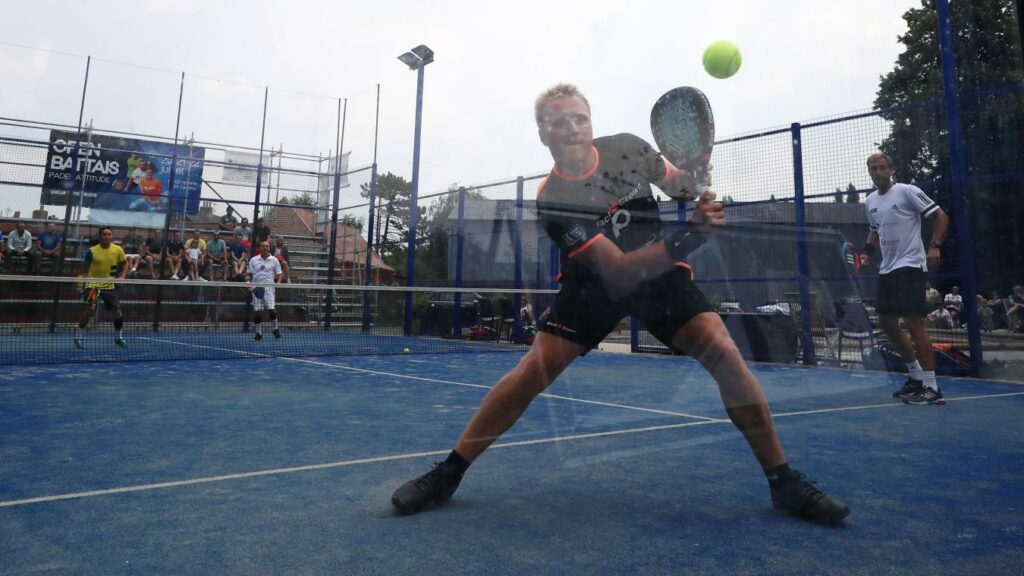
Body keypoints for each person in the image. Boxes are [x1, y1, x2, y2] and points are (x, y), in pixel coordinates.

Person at [390, 84, 850, 524]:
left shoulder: (629, 148)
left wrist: (694, 182)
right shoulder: (554, 199)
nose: (571, 128)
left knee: (725, 354)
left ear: (590, 124)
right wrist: (692, 234)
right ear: (542, 134)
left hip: (661, 280)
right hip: (594, 287)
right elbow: (618, 271)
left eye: (579, 118)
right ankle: (447, 474)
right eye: (559, 122)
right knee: (532, 372)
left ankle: (783, 482)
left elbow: (677, 185)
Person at [862, 152, 949, 405]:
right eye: (873, 169)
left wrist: (935, 245)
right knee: (887, 323)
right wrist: (866, 253)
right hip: (887, 269)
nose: (878, 173)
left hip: (910, 264)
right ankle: (916, 377)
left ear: (891, 170)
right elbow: (874, 231)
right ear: (869, 173)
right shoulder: (869, 202)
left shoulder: (908, 191)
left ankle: (932, 388)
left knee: (914, 323)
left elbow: (940, 215)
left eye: (882, 168)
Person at [74, 226, 128, 349]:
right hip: (92, 285)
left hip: (109, 286)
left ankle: (118, 337)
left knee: (117, 312)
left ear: (112, 236)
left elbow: (125, 263)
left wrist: (122, 276)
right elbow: (83, 269)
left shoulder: (118, 250)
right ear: (100, 236)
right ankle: (78, 335)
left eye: (109, 234)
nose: (107, 237)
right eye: (104, 234)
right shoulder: (91, 251)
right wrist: (80, 284)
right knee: (90, 309)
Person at [246, 240, 283, 341]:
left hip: (269, 288)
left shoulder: (274, 260)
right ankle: (259, 334)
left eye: (267, 246)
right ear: (260, 248)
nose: (265, 247)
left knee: (272, 310)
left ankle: (275, 329)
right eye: (263, 246)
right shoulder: (253, 260)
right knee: (257, 312)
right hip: (256, 288)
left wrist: (278, 282)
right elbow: (248, 274)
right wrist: (248, 284)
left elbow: (279, 274)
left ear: (269, 248)